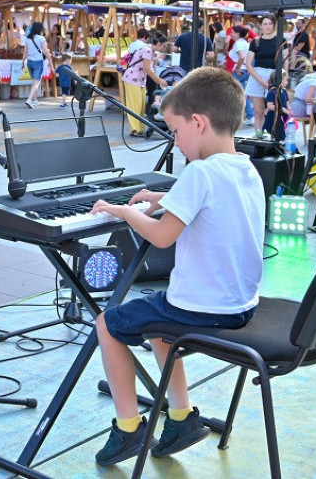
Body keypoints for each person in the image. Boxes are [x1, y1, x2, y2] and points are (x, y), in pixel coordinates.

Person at [89, 67, 264, 466]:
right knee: (159, 317)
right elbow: (210, 206)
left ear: (198, 122)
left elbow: (162, 236)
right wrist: (164, 196)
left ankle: (128, 428)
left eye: (175, 130)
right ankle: (181, 417)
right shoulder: (244, 168)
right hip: (240, 304)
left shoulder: (199, 171)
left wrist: (123, 210)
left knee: (107, 322)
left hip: (200, 308)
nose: (175, 140)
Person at [122, 28, 166, 138]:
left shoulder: (150, 51)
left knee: (141, 106)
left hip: (139, 80)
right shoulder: (147, 50)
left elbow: (149, 67)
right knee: (135, 106)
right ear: (159, 43)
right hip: (133, 79)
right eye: (163, 46)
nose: (163, 48)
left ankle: (139, 129)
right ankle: (135, 129)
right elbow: (147, 68)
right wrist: (159, 80)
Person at [245, 15, 283, 137]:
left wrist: (282, 76)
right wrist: (261, 81)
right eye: (265, 24)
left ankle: (272, 134)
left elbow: (285, 62)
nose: (267, 26)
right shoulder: (255, 42)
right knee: (258, 110)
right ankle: (258, 134)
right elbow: (248, 64)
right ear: (261, 26)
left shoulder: (280, 41)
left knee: (273, 109)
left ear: (274, 25)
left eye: (270, 24)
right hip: (258, 74)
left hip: (274, 74)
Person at [23, 22, 50, 109]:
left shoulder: (28, 39)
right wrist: (50, 61)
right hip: (38, 62)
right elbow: (45, 51)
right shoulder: (41, 38)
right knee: (36, 82)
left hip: (29, 62)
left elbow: (25, 52)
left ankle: (35, 100)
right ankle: (29, 99)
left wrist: (22, 62)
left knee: (34, 81)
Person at [261, 69, 291, 141]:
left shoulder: (284, 91)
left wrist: (289, 109)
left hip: (283, 116)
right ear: (279, 80)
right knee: (273, 133)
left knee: (283, 133)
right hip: (274, 117)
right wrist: (281, 109)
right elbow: (269, 105)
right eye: (286, 80)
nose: (287, 82)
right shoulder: (272, 92)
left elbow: (286, 102)